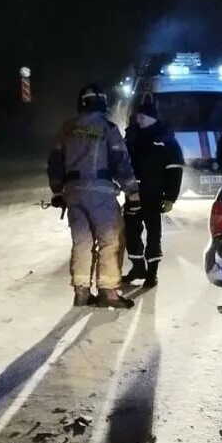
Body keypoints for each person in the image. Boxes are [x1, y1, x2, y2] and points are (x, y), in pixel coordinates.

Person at [48, 84, 141, 309]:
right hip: (100, 192)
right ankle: (108, 292)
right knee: (110, 240)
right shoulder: (108, 128)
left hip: (73, 192)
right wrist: (132, 191)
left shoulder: (67, 129)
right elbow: (121, 161)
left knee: (82, 241)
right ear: (102, 103)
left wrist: (58, 190)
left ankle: (81, 292)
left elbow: (55, 162)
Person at [122, 95, 184, 289]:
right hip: (132, 194)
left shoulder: (165, 139)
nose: (138, 119)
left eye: (142, 116)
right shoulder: (131, 137)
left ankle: (152, 272)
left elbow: (175, 169)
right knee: (131, 233)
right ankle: (138, 267)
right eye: (137, 116)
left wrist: (170, 197)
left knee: (153, 234)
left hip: (154, 195)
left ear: (152, 118)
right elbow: (121, 163)